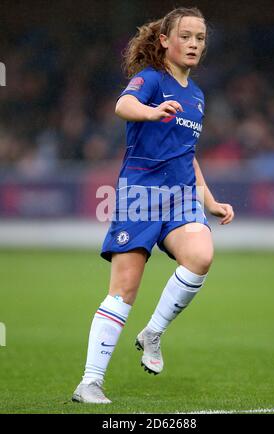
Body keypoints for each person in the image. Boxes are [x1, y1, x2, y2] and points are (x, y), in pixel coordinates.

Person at [72, 6, 234, 404]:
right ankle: (89, 382)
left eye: (200, 38)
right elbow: (122, 107)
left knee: (201, 255)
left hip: (180, 198)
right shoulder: (150, 80)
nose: (194, 43)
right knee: (123, 291)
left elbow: (186, 153)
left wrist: (210, 200)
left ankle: (153, 333)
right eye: (186, 36)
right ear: (165, 40)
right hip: (140, 196)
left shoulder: (196, 96)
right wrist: (152, 111)